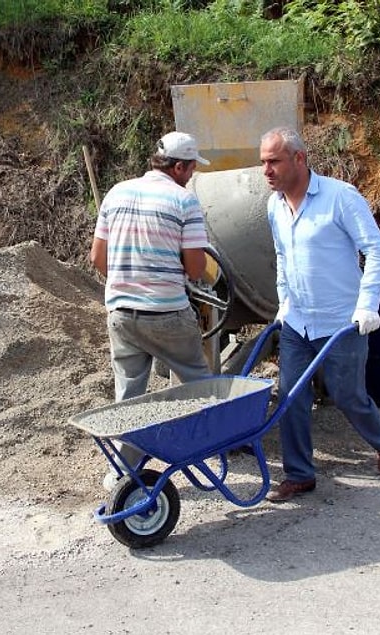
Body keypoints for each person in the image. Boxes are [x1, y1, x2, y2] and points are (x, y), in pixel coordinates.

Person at [259, 126, 380, 503]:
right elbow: (283, 257)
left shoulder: (340, 197)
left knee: (347, 395)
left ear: (299, 159)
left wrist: (368, 304)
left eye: (274, 161)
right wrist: (284, 300)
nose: (266, 171)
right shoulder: (274, 205)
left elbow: (377, 250)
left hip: (342, 321)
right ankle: (300, 474)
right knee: (290, 397)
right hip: (298, 321)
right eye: (263, 163)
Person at [89, 131, 214, 491]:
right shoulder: (183, 201)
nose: (191, 175)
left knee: (129, 395)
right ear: (178, 167)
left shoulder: (116, 192)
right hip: (168, 314)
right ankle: (207, 451)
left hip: (121, 313)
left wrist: (132, 281)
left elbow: (98, 258)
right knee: (202, 385)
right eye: (190, 168)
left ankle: (121, 474)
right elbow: (195, 269)